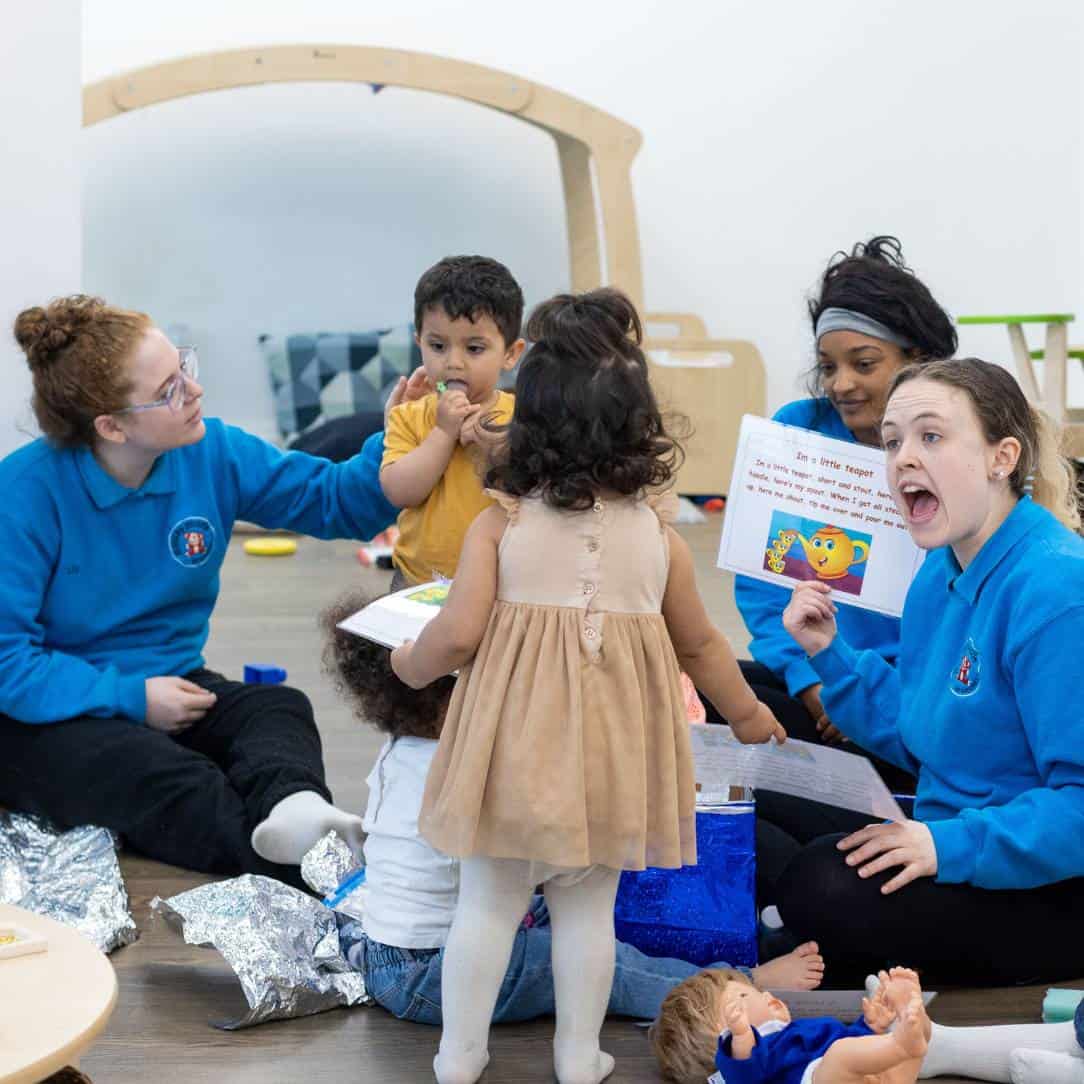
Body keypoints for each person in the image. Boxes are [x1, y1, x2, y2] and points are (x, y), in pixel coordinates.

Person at [390, 288, 785, 1084]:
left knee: (487, 909)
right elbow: (703, 647)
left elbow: (458, 633)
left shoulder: (500, 524)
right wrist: (747, 716)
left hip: (511, 757)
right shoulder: (661, 540)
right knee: (587, 915)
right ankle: (578, 1056)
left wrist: (409, 664)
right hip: (611, 766)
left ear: (524, 423)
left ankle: (459, 1056)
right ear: (639, 430)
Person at [0, 295, 403, 890]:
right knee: (174, 778)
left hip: (170, 683)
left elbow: (336, 500)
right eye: (167, 389)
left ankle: (295, 812)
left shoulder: (211, 451)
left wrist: (397, 435)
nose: (194, 391)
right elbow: (9, 665)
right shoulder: (24, 491)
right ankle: (323, 875)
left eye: (184, 367)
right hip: (45, 718)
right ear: (111, 426)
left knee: (277, 708)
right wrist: (133, 698)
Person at [321, 589, 824, 1028]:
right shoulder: (459, 767)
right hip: (430, 972)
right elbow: (533, 854)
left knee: (593, 917)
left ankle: (732, 951)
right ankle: (737, 987)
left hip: (406, 949)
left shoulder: (407, 749)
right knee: (606, 962)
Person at [774, 357, 1084, 984]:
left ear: (1003, 457)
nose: (902, 459)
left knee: (817, 883)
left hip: (1053, 885)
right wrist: (829, 651)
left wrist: (942, 846)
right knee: (769, 805)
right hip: (953, 834)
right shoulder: (940, 573)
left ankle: (788, 937)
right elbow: (923, 728)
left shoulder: (1058, 588)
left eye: (931, 436)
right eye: (893, 442)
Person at [729, 238, 956, 772]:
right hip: (817, 679)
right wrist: (812, 681)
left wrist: (864, 687)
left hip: (914, 700)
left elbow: (962, 619)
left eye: (864, 363)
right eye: (828, 366)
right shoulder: (797, 431)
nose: (841, 384)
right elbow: (762, 588)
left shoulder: (956, 450)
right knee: (711, 690)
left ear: (917, 360)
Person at [651, 965, 1084, 1084]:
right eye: (745, 998)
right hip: (823, 1078)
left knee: (848, 1048)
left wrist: (867, 1024)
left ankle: (910, 1036)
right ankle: (905, 1040)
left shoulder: (791, 1033)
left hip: (855, 1075)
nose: (763, 994)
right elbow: (741, 1071)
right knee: (840, 1055)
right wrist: (741, 1039)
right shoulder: (743, 1060)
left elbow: (844, 1044)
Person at [380, 255, 526, 589]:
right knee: (408, 645)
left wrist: (494, 445)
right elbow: (399, 491)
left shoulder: (522, 418)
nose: (453, 363)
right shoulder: (409, 415)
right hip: (417, 580)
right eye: (437, 346)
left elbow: (534, 493)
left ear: (511, 354)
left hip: (501, 583)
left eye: (474, 348)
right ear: (419, 342)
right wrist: (443, 433)